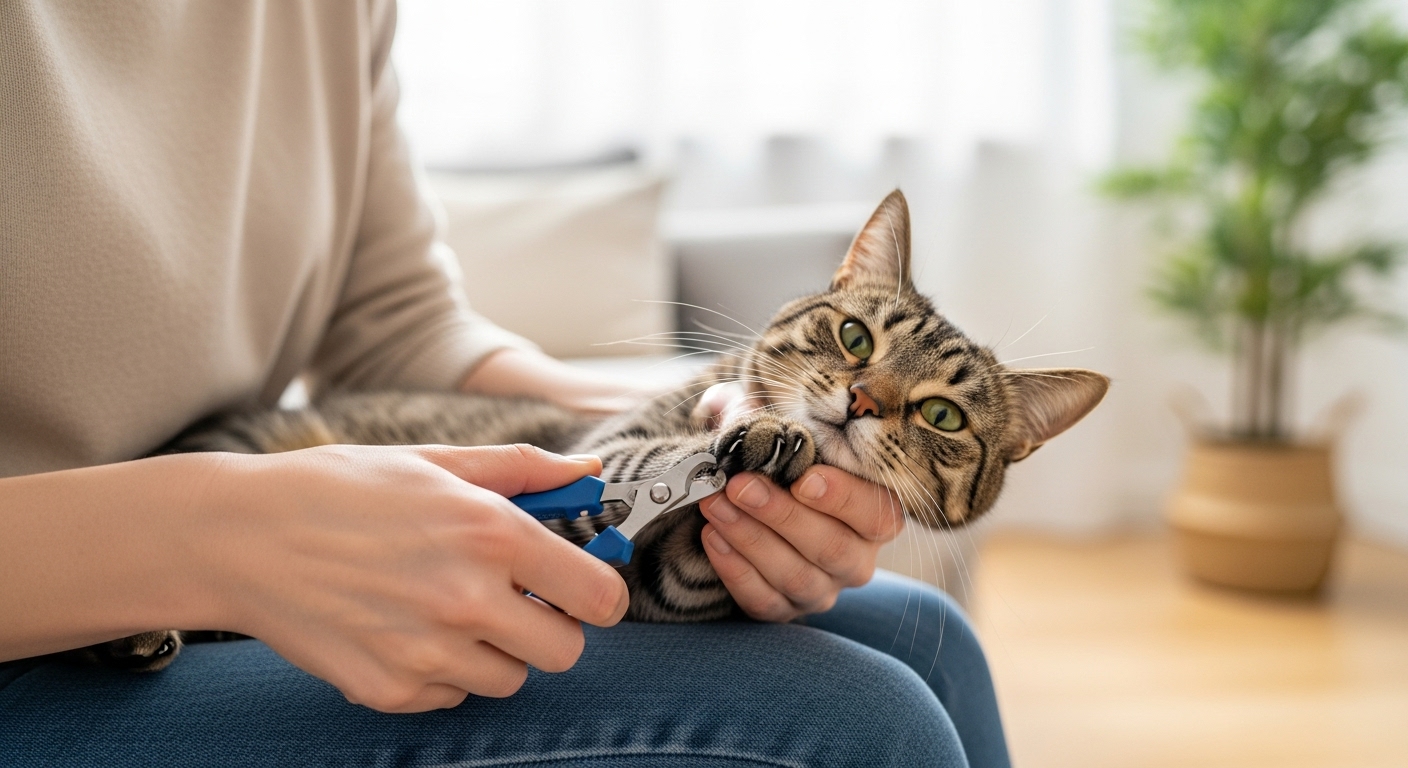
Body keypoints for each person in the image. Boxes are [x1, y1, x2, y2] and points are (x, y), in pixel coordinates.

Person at [0, 2, 1011, 766]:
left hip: (227, 550)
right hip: (48, 630)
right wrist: (207, 534)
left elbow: (396, 324)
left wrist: (689, 429)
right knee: (862, 724)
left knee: (931, 642)